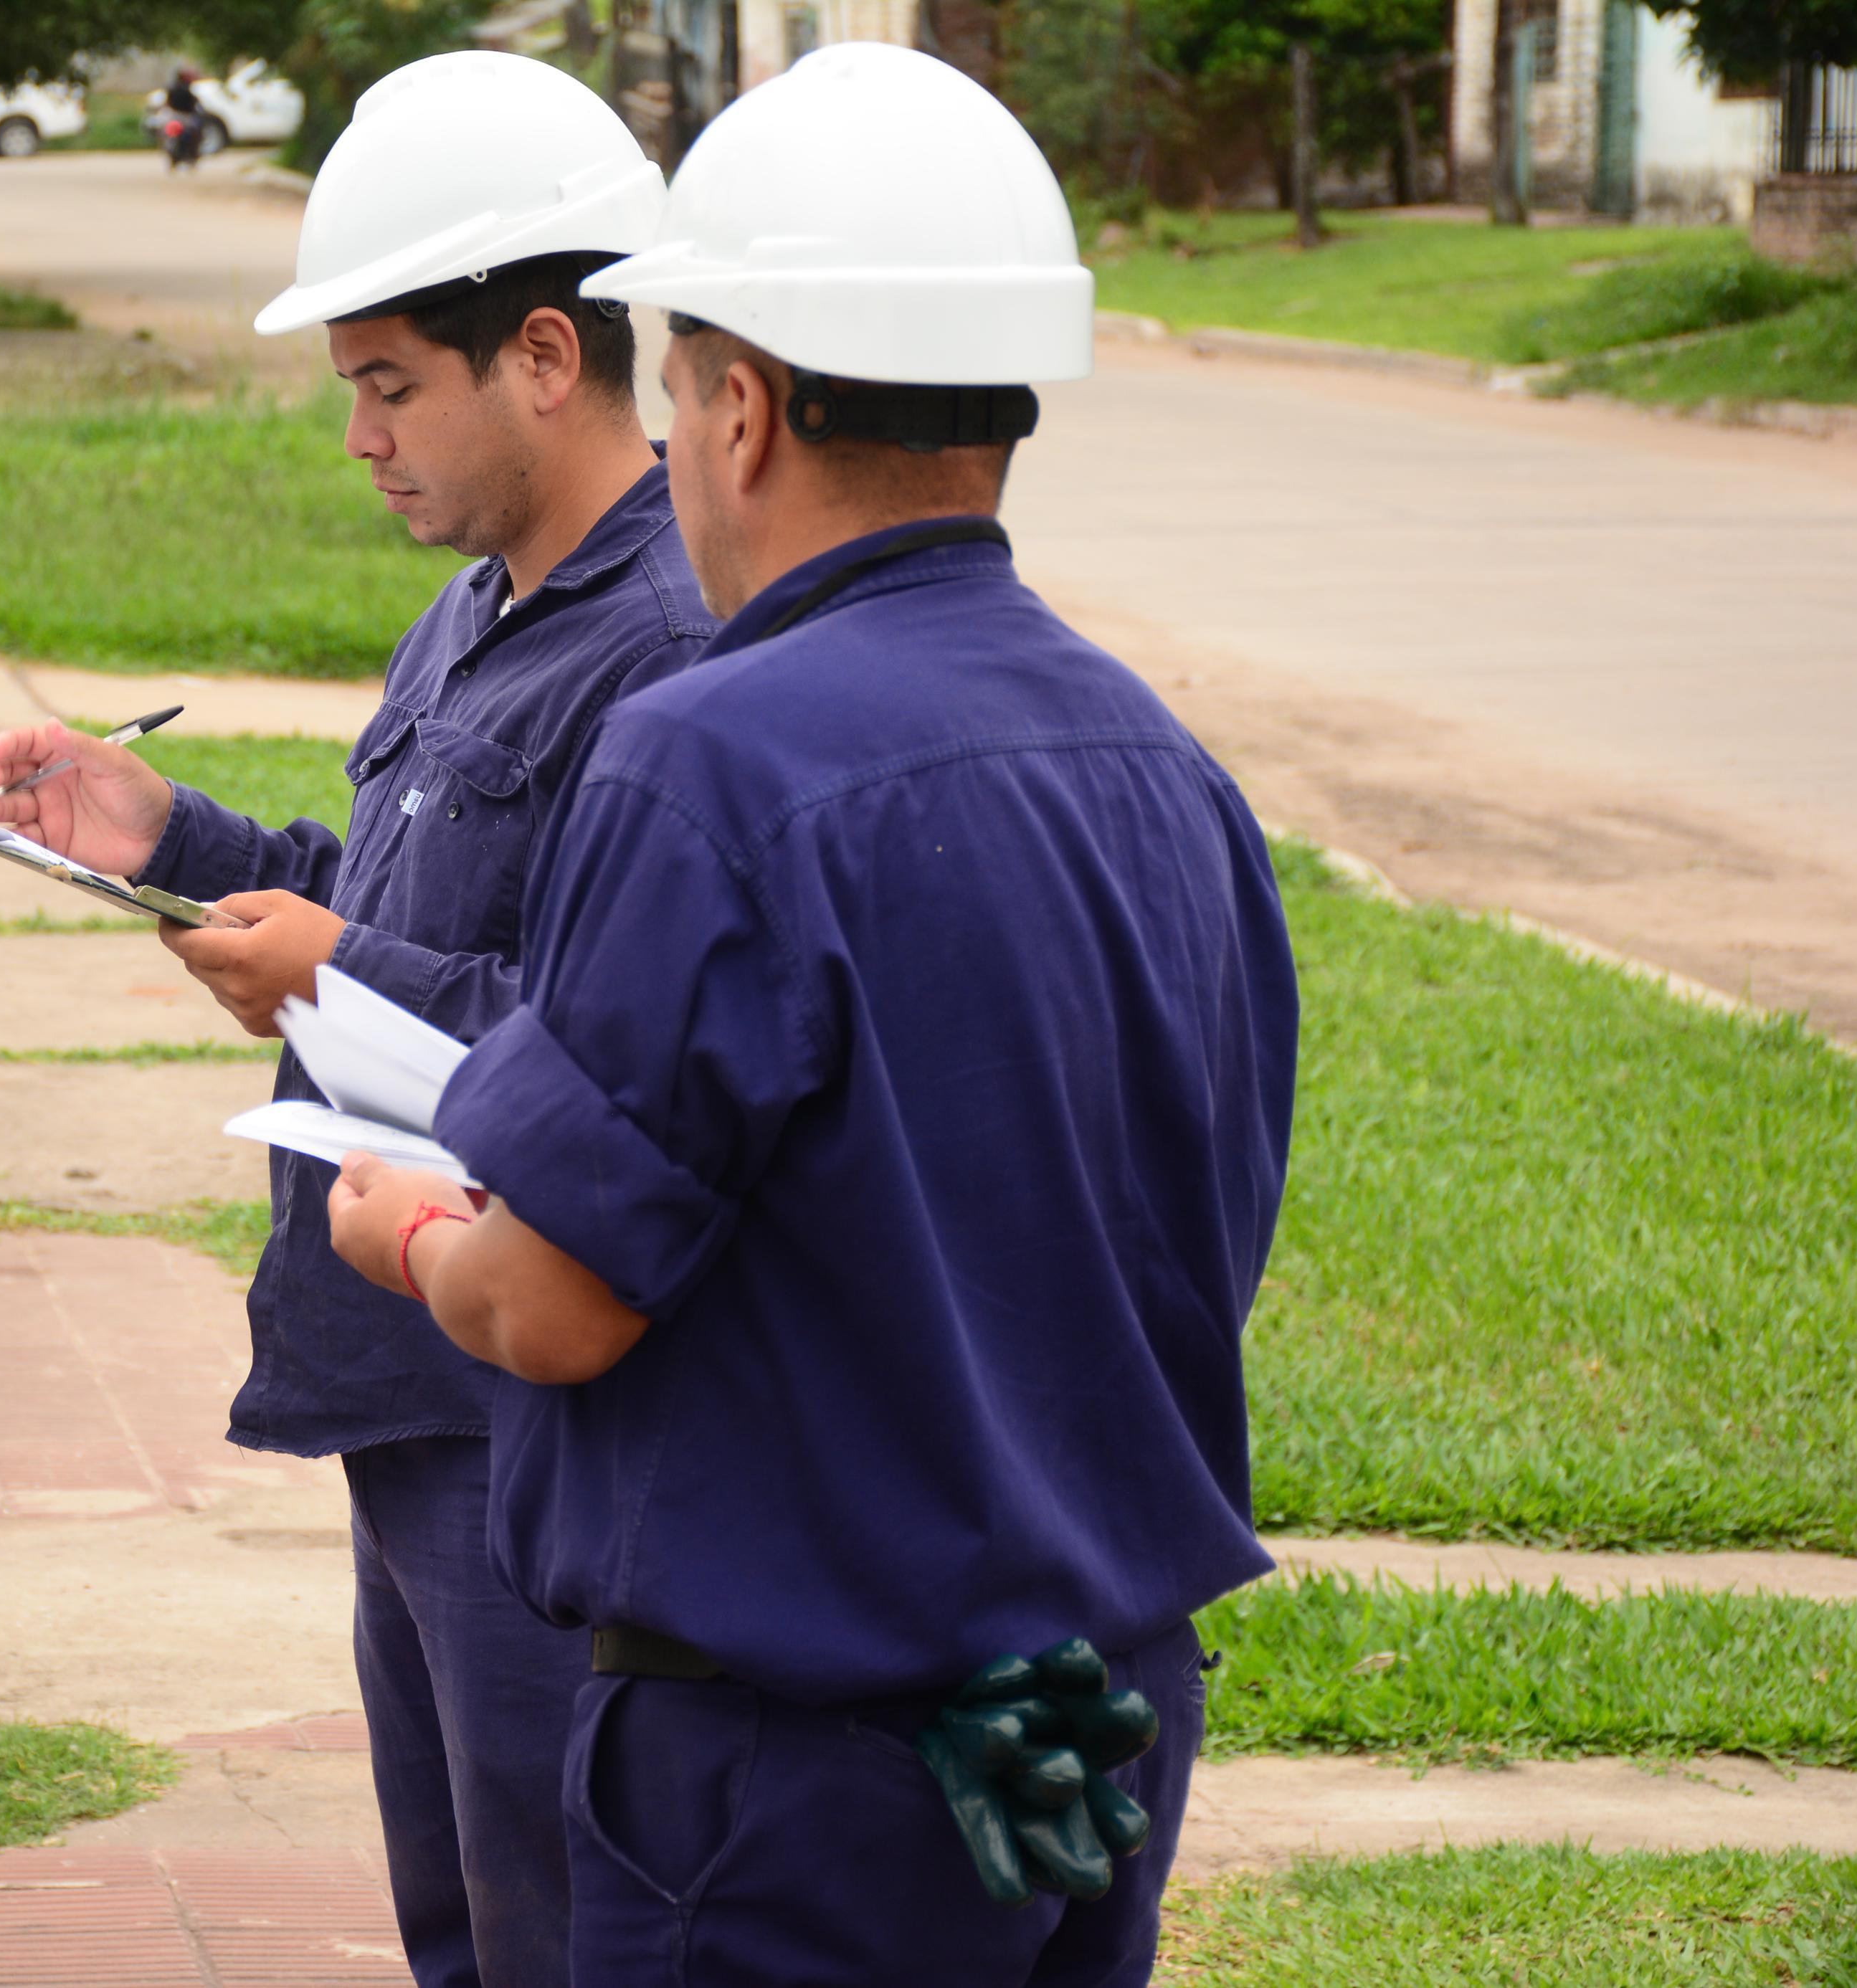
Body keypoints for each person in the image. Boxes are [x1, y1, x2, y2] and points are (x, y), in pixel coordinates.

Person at [323, 44, 1298, 1988]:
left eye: (674, 395)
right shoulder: (1164, 768)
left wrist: (408, 1229)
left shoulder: (708, 763)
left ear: (745, 409)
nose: (670, 447)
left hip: (794, 1763)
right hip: (1088, 1717)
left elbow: (557, 1299)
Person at [0, 51, 718, 1988]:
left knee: (561, 1937)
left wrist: (327, 972)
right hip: (401, 1391)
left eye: (392, 386)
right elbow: (401, 906)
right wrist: (176, 840)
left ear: (545, 360)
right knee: (462, 1932)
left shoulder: (666, 656)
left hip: (530, 1414)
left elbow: (610, 1042)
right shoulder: (478, 603)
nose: (362, 437)